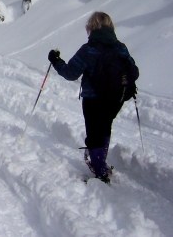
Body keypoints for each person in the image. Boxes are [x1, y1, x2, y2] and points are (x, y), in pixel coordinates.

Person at [48, 11, 139, 183]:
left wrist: (55, 60)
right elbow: (133, 70)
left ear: (92, 27)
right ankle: (100, 163)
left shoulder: (89, 49)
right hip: (116, 98)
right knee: (105, 127)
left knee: (94, 132)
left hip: (93, 98)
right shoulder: (121, 47)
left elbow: (70, 73)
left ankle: (99, 170)